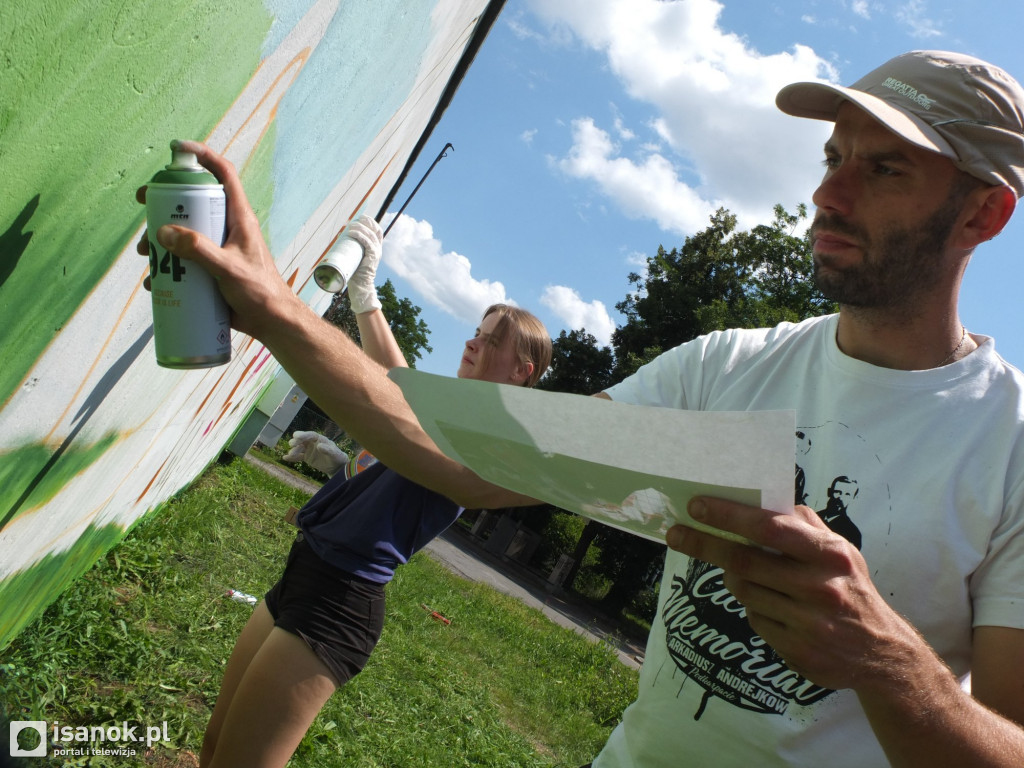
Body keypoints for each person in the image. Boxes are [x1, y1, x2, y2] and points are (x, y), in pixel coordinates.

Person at [138, 48, 1024, 767]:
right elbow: (475, 465)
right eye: (833, 157)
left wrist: (891, 665)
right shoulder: (724, 366)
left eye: (886, 167)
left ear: (984, 213)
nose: (830, 193)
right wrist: (277, 308)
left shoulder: (1009, 445)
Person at [183, 214, 551, 767]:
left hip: (339, 601)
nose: (473, 340)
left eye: (492, 339)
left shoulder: (490, 438)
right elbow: (395, 441)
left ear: (522, 371)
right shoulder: (446, 411)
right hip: (303, 569)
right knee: (213, 748)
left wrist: (365, 295)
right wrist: (340, 463)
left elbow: (395, 384)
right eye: (478, 328)